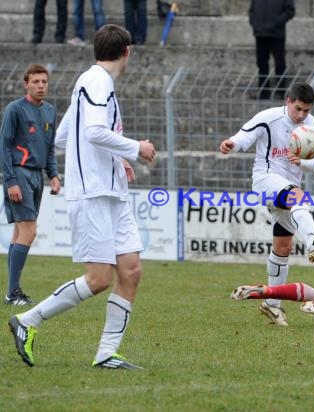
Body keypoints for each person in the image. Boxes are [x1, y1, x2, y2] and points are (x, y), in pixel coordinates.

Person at [8, 24, 156, 369]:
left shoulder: (89, 84)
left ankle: (107, 353)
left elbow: (62, 139)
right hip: (92, 194)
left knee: (131, 271)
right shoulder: (97, 81)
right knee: (99, 279)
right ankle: (27, 321)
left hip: (111, 192)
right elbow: (91, 132)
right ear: (128, 51)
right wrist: (136, 148)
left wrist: (116, 158)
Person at [219, 81, 314, 327]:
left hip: (288, 186)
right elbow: (244, 137)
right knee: (298, 196)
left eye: (306, 110)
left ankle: (272, 305)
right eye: (298, 109)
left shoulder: (312, 126)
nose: (302, 115)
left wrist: (300, 162)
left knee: (282, 247)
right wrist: (232, 144)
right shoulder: (269, 117)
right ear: (288, 101)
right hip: (265, 180)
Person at [1, 64, 61, 305]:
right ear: (26, 84)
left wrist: (54, 175)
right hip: (20, 173)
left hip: (37, 176)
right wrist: (10, 180)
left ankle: (11, 291)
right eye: (35, 82)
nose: (40, 86)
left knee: (19, 232)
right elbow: (4, 146)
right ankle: (13, 292)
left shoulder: (49, 111)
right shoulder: (15, 109)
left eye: (44, 82)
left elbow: (49, 149)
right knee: (29, 231)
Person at [249, 0, 295, 100]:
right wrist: (254, 23)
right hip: (260, 34)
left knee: (279, 64)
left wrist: (277, 22)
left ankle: (280, 92)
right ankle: (263, 92)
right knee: (261, 64)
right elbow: (251, 10)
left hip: (276, 34)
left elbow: (290, 11)